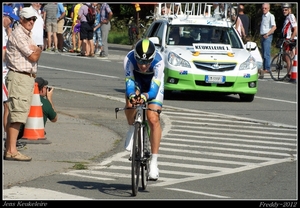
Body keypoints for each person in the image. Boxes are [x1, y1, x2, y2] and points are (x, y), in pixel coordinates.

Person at [123, 39, 165, 180]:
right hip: (137, 82)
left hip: (153, 85)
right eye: (140, 61)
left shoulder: (159, 61)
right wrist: (131, 95)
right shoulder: (128, 59)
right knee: (130, 104)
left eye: (147, 63)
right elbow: (129, 83)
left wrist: (146, 97)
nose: (143, 65)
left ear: (152, 59)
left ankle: (154, 162)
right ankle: (131, 129)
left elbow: (153, 91)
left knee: (153, 118)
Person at [4, 7, 42, 161]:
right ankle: (11, 150)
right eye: (28, 19)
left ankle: (10, 149)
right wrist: (38, 50)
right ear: (21, 19)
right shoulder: (19, 34)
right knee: (16, 115)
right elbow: (33, 56)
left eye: (33, 19)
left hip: (25, 77)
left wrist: (37, 50)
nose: (31, 22)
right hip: (19, 77)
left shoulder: (27, 34)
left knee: (17, 114)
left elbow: (36, 52)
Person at [2, 5, 19, 141]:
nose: (11, 23)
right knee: (7, 105)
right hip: (3, 72)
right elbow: (3, 55)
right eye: (10, 19)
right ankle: (9, 140)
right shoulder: (3, 33)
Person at [259, 3, 276, 75]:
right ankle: (265, 67)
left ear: (268, 9)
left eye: (265, 8)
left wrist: (267, 34)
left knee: (266, 53)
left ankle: (267, 68)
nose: (264, 9)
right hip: (263, 35)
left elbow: (274, 27)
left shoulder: (270, 16)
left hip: (267, 36)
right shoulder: (263, 16)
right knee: (263, 53)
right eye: (263, 8)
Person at [281, 3, 297, 78]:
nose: (284, 11)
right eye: (283, 9)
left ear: (289, 9)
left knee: (287, 58)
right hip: (286, 39)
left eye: (286, 9)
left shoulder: (291, 16)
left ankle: (289, 74)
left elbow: (295, 29)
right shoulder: (287, 17)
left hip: (289, 39)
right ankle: (291, 71)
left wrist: (291, 38)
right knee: (285, 57)